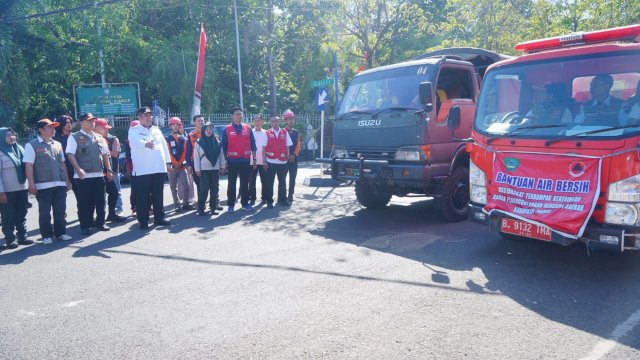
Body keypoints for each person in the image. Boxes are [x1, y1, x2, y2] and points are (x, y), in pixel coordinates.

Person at [23, 119, 73, 245]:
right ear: (40, 130)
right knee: (45, 212)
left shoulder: (57, 144)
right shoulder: (32, 145)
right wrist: (31, 184)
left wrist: (67, 180)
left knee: (60, 211)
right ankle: (46, 235)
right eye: (49, 127)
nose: (52, 129)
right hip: (42, 185)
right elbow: (28, 166)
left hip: (60, 184)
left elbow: (62, 163)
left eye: (53, 127)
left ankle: (61, 233)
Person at [66, 113, 113, 235]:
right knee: (84, 202)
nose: (92, 123)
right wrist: (78, 168)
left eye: (93, 120)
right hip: (83, 176)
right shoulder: (74, 137)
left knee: (100, 200)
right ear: (81, 122)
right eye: (89, 121)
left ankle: (101, 222)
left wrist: (108, 170)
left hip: (98, 174)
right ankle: (85, 225)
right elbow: (70, 154)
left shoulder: (98, 137)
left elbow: (105, 154)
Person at [128, 106, 171, 230]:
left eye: (149, 115)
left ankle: (159, 217)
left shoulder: (156, 129)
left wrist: (168, 162)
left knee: (158, 194)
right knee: (143, 196)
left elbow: (164, 145)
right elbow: (135, 141)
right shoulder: (134, 130)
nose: (148, 117)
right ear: (139, 117)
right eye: (145, 115)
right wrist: (144, 144)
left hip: (158, 167)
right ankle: (143, 220)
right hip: (143, 170)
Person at [0, 127, 32, 249]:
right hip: (7, 191)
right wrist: (1, 192)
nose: (11, 137)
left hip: (22, 188)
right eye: (8, 135)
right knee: (8, 216)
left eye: (12, 135)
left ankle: (22, 237)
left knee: (21, 213)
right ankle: (10, 239)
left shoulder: (19, 149)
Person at [221, 107, 257, 212]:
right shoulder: (227, 129)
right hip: (232, 161)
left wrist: (254, 159)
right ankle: (231, 204)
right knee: (231, 183)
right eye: (237, 114)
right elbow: (223, 147)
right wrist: (225, 161)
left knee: (245, 183)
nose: (239, 116)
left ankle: (245, 203)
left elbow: (253, 144)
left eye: (240, 114)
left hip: (245, 160)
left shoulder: (247, 128)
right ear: (232, 116)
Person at [94, 118, 126, 223]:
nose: (107, 130)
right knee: (100, 195)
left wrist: (103, 151)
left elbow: (115, 154)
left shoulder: (113, 139)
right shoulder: (92, 139)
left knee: (116, 192)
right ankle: (102, 214)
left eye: (107, 128)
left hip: (112, 170)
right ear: (97, 128)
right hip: (97, 172)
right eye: (105, 128)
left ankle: (117, 211)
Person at [194, 122, 226, 216]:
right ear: (203, 131)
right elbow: (196, 157)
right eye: (207, 129)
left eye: (210, 129)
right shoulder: (199, 142)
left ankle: (213, 208)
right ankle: (200, 208)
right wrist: (197, 169)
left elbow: (221, 155)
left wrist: (223, 166)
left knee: (214, 189)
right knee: (204, 189)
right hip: (204, 170)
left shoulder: (216, 141)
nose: (209, 131)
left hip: (215, 169)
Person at [263, 116, 292, 208]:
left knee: (282, 182)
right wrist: (264, 161)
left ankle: (282, 199)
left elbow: (288, 145)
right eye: (272, 121)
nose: (274, 123)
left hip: (282, 162)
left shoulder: (284, 132)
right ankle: (269, 201)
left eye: (276, 121)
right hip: (271, 161)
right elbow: (263, 148)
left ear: (279, 122)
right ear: (270, 123)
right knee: (269, 182)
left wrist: (288, 154)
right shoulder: (267, 133)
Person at [165, 116, 192, 212]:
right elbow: (167, 152)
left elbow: (185, 151)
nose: (176, 127)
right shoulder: (168, 139)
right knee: (173, 187)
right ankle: (177, 204)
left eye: (177, 125)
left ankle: (185, 203)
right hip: (172, 167)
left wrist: (180, 162)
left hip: (181, 167)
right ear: (171, 126)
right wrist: (175, 162)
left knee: (186, 185)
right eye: (174, 125)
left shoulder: (183, 138)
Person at [53, 115, 77, 196]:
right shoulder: (55, 139)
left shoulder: (75, 136)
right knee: (61, 196)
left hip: (75, 167)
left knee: (81, 194)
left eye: (70, 122)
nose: (69, 124)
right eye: (66, 123)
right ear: (61, 124)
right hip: (62, 169)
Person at [249, 115, 268, 206]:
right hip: (252, 160)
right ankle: (252, 198)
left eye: (259, 121)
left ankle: (264, 198)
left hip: (264, 160)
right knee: (252, 180)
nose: (257, 122)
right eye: (255, 121)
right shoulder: (250, 132)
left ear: (262, 122)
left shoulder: (266, 133)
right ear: (253, 122)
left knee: (264, 180)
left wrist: (266, 160)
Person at [283, 109, 300, 203]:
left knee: (292, 177)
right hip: (284, 158)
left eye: (292, 119)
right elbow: (281, 145)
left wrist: (294, 155)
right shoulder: (282, 131)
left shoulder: (296, 132)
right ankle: (282, 195)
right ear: (285, 120)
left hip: (294, 158)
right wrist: (287, 155)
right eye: (289, 119)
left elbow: (298, 145)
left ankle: (290, 194)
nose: (291, 121)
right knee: (282, 178)